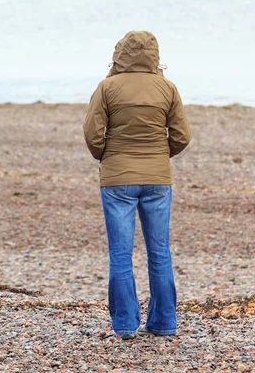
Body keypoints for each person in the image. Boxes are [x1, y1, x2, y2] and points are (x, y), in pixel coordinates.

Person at [83, 31, 192, 339]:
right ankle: (163, 323)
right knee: (159, 252)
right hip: (157, 179)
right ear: (154, 55)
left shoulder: (107, 87)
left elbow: (92, 133)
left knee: (120, 254)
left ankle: (125, 324)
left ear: (119, 53)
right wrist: (159, 156)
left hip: (117, 180)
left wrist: (108, 156)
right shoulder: (167, 88)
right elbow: (182, 136)